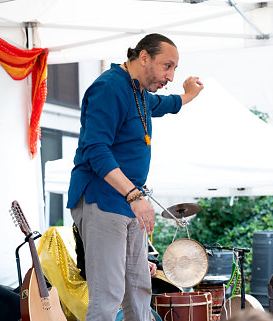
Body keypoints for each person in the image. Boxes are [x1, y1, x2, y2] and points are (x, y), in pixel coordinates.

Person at [67, 33, 204, 321]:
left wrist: (188, 95)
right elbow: (96, 150)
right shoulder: (108, 87)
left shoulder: (138, 92)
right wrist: (134, 195)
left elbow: (163, 104)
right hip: (104, 199)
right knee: (109, 296)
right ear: (143, 57)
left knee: (139, 286)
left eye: (175, 69)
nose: (170, 75)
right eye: (167, 66)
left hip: (128, 203)